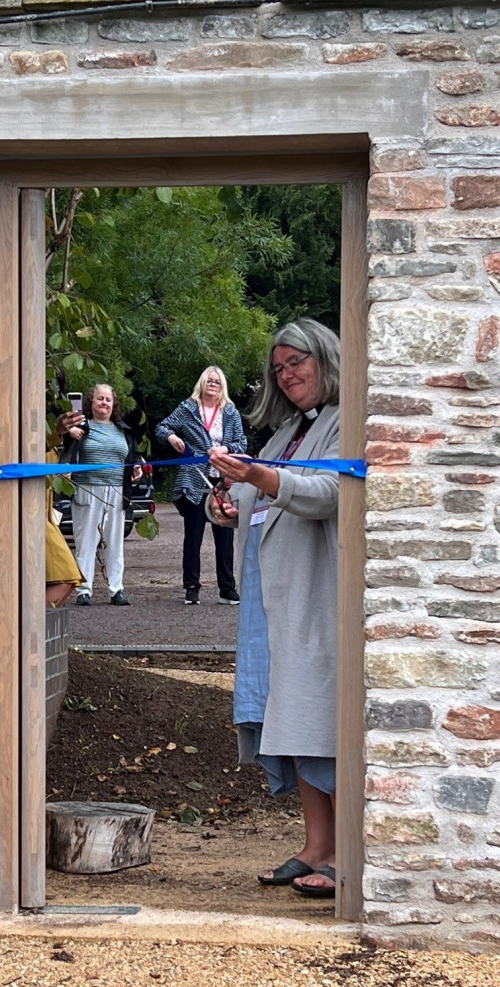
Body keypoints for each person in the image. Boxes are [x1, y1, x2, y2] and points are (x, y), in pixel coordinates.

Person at [206, 319, 340, 900]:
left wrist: (258, 476)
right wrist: (228, 502)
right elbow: (255, 494)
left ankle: (344, 854)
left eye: (296, 363)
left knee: (318, 714)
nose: (286, 376)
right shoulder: (287, 428)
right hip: (269, 592)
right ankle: (315, 845)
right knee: (289, 714)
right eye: (279, 367)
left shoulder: (345, 420)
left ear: (325, 359)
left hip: (312, 590)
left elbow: (328, 493)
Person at [156, 366, 246, 606]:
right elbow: (162, 427)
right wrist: (172, 437)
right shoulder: (188, 408)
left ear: (222, 386)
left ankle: (227, 588)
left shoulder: (231, 411)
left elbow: (241, 442)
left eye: (217, 381)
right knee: (193, 536)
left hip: (223, 480)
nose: (213, 384)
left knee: (225, 537)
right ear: (202, 383)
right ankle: (191, 587)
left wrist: (225, 449)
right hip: (194, 478)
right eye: (209, 380)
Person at [59, 384, 143, 607]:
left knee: (115, 543)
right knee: (86, 542)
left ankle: (117, 589)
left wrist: (136, 467)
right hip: (87, 490)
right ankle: (83, 589)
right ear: (91, 402)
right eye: (100, 399)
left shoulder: (122, 429)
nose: (104, 403)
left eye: (108, 400)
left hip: (117, 492)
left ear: (113, 405)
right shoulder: (81, 426)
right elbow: (64, 446)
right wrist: (70, 434)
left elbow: (132, 455)